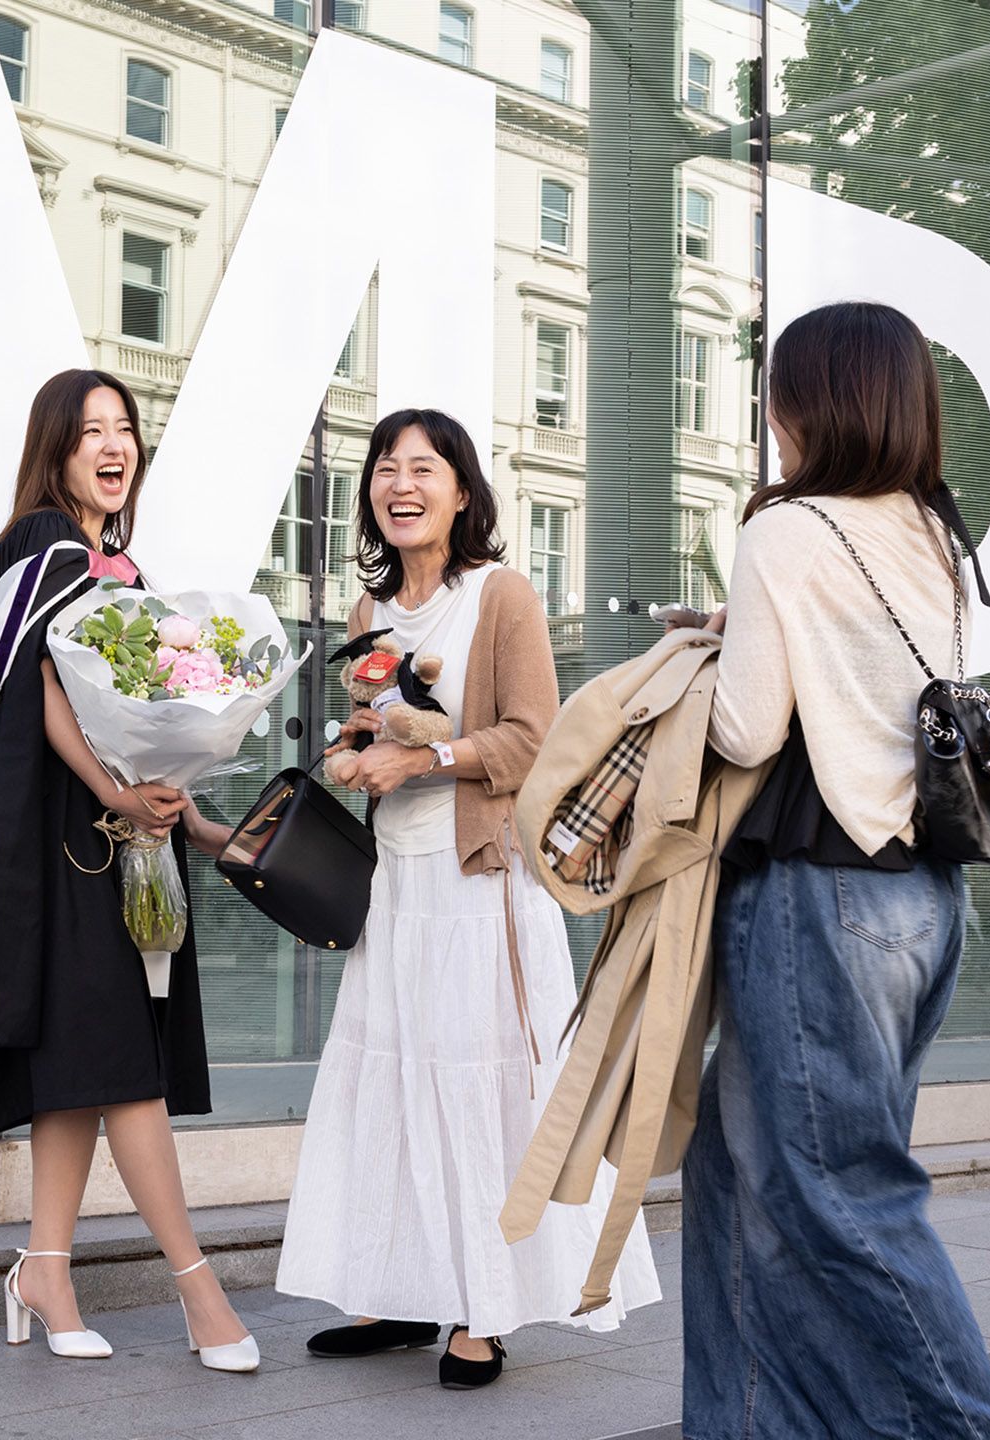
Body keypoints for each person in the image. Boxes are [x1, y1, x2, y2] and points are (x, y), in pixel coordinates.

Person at [682, 302, 990, 1437]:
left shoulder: (787, 529)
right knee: (743, 1181)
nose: (770, 415)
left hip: (819, 895)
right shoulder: (935, 532)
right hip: (921, 897)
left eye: (777, 393)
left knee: (838, 1195)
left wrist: (703, 653)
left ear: (810, 402)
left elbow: (745, 729)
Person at [276, 409, 660, 1390]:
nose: (400, 485)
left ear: (459, 493)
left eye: (423, 469)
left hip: (478, 886)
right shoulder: (368, 611)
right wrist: (359, 749)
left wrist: (426, 759)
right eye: (385, 468)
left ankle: (481, 1312)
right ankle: (403, 1291)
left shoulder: (501, 597)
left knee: (475, 1087)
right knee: (398, 1087)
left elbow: (536, 739)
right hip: (394, 887)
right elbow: (374, 726)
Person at [0, 367, 257, 1373]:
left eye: (124, 428)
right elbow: (36, 690)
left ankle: (44, 1269)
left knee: (80, 1069)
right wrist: (116, 795)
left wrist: (190, 818)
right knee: (125, 1066)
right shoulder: (44, 545)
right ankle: (198, 1289)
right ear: (57, 449)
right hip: (67, 843)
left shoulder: (114, 565)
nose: (114, 445)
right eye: (91, 432)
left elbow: (130, 715)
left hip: (118, 838)